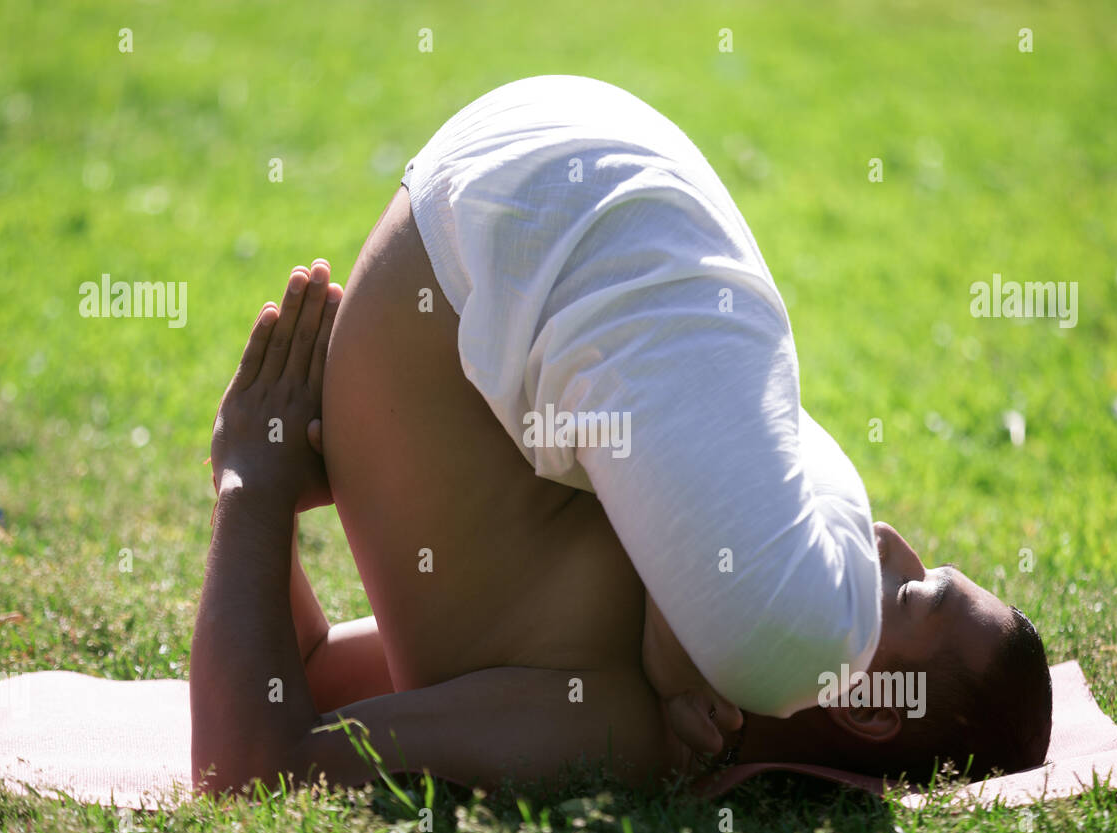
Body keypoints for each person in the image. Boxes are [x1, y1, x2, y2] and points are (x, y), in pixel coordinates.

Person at [190, 75, 1051, 795]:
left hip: (525, 189)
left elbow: (263, 752)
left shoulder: (609, 729)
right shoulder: (678, 564)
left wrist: (253, 491)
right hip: (524, 235)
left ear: (870, 705)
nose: (894, 543)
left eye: (915, 595)